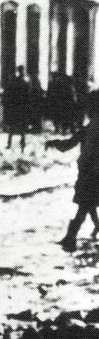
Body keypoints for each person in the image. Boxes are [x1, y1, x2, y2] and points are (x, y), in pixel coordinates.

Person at [50, 91, 99, 251]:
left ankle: (70, 237)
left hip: (92, 171)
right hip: (89, 171)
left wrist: (56, 143)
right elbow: (70, 143)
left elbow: (71, 144)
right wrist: (56, 143)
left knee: (85, 203)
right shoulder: (90, 127)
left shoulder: (93, 127)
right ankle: (87, 230)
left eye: (90, 106)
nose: (87, 110)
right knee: (88, 202)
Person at [5, 66, 29, 152]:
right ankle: (22, 144)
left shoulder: (14, 81)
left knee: (13, 125)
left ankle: (10, 143)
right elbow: (28, 96)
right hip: (22, 107)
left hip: (16, 106)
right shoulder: (25, 82)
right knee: (21, 127)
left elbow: (10, 94)